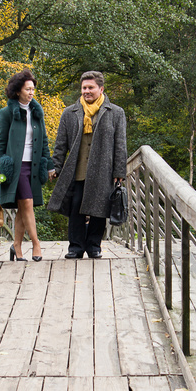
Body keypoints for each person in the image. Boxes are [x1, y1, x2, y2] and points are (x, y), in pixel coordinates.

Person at [48, 70, 127, 259]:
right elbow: (61, 144)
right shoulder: (70, 113)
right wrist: (56, 166)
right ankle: (75, 247)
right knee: (76, 207)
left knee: (98, 209)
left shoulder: (115, 113)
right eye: (84, 88)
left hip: (103, 169)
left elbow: (120, 144)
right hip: (77, 169)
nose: (86, 91)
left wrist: (119, 170)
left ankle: (93, 246)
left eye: (90, 87)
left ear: (101, 89)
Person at [0, 68, 55, 261]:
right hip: (15, 168)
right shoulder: (6, 113)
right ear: (18, 90)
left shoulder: (37, 113)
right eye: (27, 89)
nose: (31, 92)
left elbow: (43, 140)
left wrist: (49, 165)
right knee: (27, 202)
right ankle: (36, 244)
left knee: (23, 208)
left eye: (33, 89)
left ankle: (16, 246)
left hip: (33, 166)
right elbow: (0, 142)